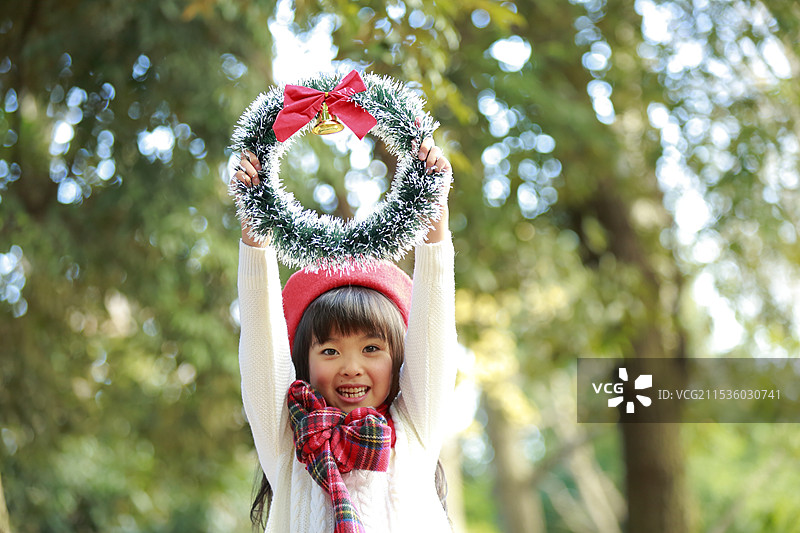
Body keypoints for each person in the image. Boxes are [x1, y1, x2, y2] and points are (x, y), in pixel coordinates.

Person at [234, 137, 457, 533]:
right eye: (331, 350)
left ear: (400, 360)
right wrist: (255, 239)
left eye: (371, 348)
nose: (352, 368)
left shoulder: (412, 432)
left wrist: (434, 226)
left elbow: (434, 335)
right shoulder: (289, 443)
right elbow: (260, 345)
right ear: (303, 362)